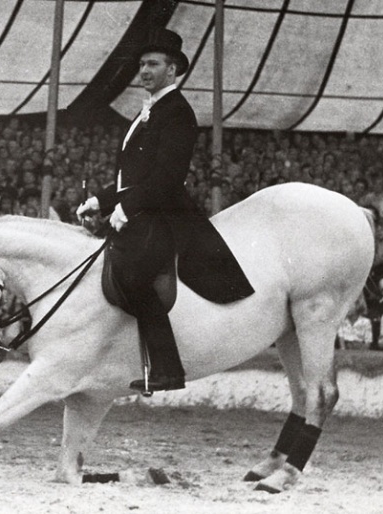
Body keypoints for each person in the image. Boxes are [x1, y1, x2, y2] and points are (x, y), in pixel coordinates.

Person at [76, 29, 253, 393]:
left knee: (134, 277)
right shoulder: (147, 112)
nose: (144, 71)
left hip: (165, 214)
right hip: (143, 209)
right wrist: (100, 200)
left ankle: (168, 370)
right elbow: (132, 177)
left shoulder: (177, 112)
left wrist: (126, 207)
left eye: (152, 64)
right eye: (142, 64)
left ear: (172, 71)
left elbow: (166, 178)